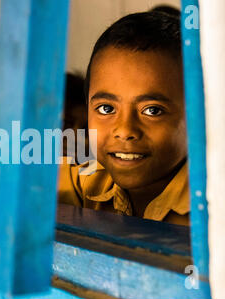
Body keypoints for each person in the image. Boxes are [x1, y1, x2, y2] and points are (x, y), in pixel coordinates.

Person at [58, 11, 190, 226]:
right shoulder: (84, 181)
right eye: (106, 108)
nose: (125, 130)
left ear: (196, 117)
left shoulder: (218, 205)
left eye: (152, 111)